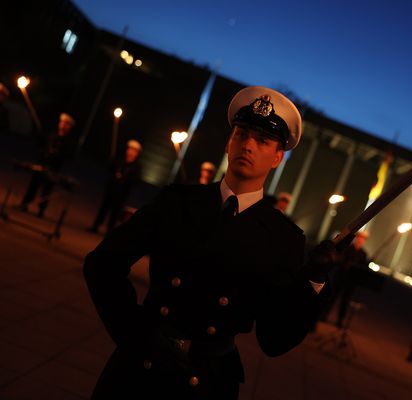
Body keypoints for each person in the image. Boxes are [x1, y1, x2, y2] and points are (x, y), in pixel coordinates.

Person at [83, 86, 332, 399]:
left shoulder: (284, 239)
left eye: (262, 141)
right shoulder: (177, 201)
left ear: (277, 158)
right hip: (140, 368)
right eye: (241, 134)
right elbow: (103, 263)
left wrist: (315, 281)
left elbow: (274, 340)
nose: (248, 146)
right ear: (229, 142)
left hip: (207, 381)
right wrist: (134, 333)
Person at [20, 112, 75, 217]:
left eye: (66, 123)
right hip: (41, 165)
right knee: (33, 186)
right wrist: (40, 136)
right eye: (62, 122)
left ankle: (41, 210)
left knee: (47, 189)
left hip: (53, 169)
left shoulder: (68, 142)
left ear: (69, 127)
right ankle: (25, 204)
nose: (63, 125)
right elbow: (40, 144)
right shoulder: (51, 135)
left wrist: (58, 155)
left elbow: (69, 155)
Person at [89, 139, 142, 234]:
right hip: (111, 189)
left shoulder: (136, 166)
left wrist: (125, 178)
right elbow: (109, 170)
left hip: (122, 193)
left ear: (137, 153)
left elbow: (136, 180)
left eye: (134, 151)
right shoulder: (119, 160)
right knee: (104, 208)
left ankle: (109, 231)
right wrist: (112, 165)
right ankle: (95, 226)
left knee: (115, 212)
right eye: (130, 149)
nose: (131, 152)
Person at [320, 230, 370, 328]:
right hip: (341, 278)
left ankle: (340, 321)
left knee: (345, 301)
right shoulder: (348, 249)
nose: (360, 240)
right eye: (359, 238)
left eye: (362, 239)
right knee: (332, 297)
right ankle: (324, 315)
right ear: (356, 239)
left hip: (351, 281)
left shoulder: (363, 254)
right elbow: (339, 260)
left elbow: (363, 268)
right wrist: (345, 264)